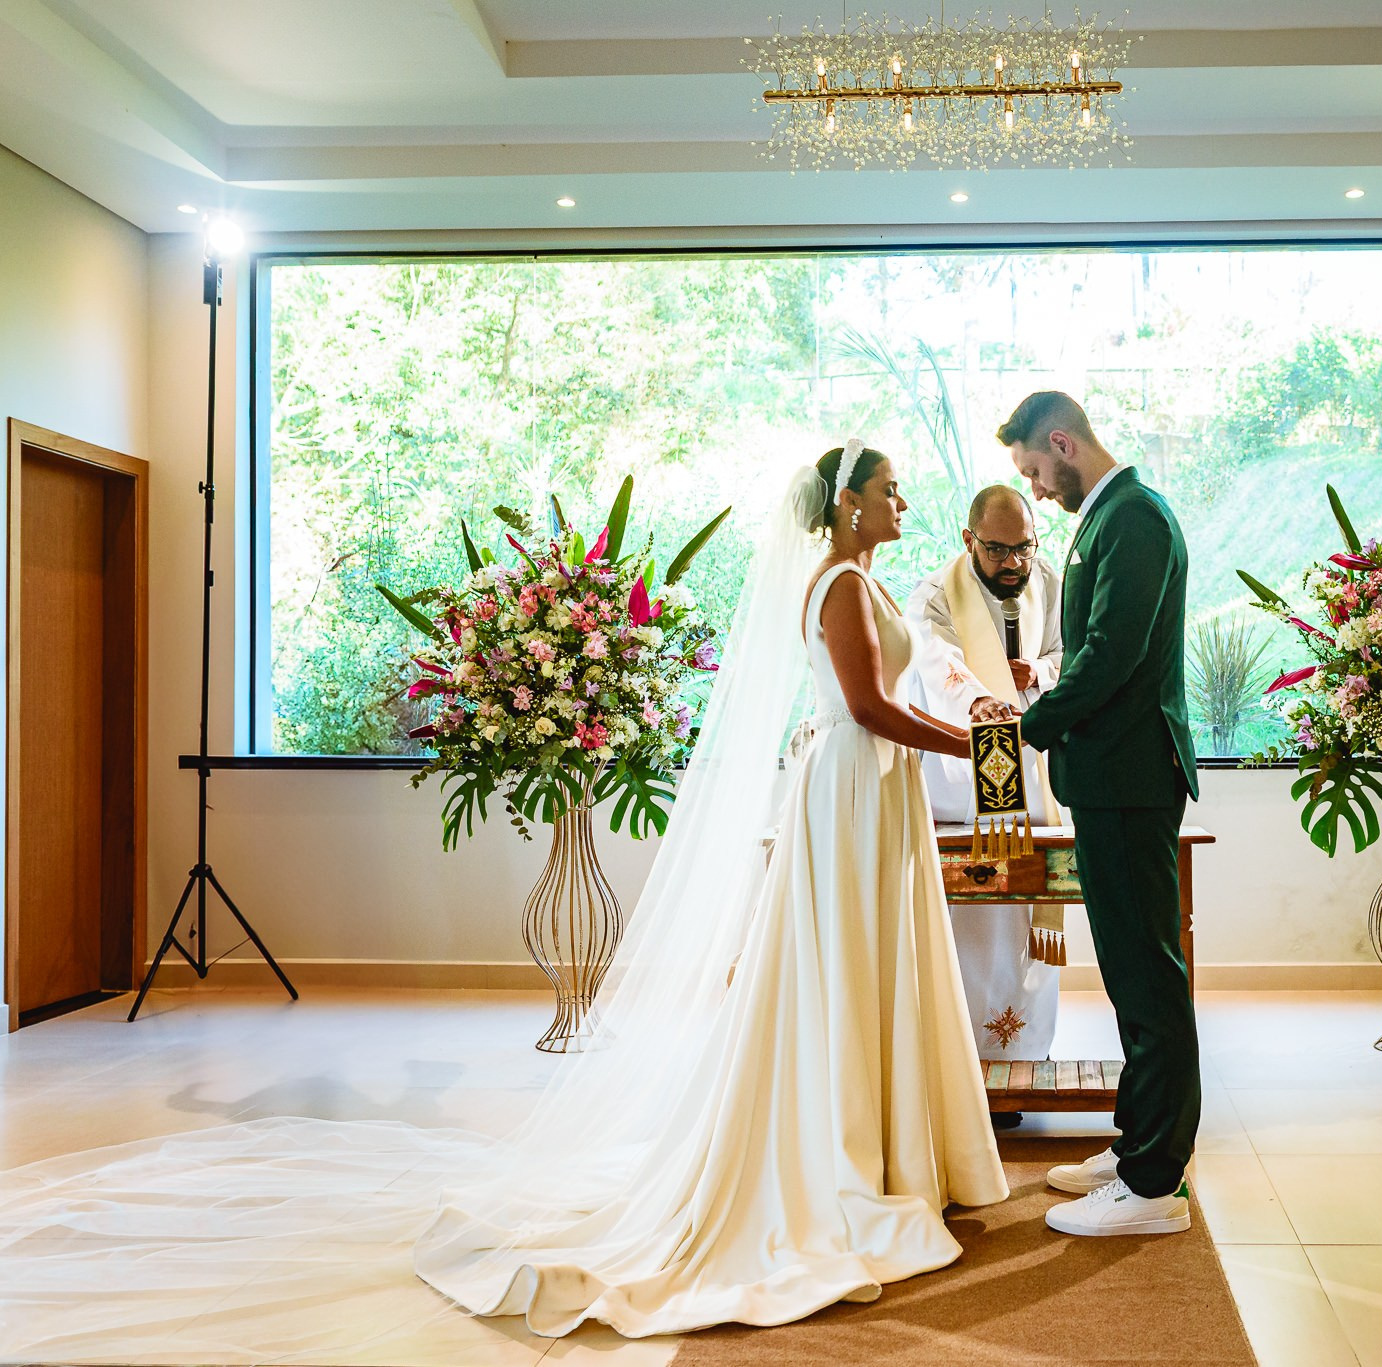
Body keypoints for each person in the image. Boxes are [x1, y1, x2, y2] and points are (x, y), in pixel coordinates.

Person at [0, 443, 1008, 1357]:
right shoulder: (837, 585)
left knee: (879, 959)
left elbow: (894, 699)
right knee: (845, 961)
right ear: (843, 506)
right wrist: (971, 745)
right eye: (887, 490)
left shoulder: (867, 581)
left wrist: (970, 717)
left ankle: (887, 1138)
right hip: (847, 787)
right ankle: (841, 1148)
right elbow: (867, 706)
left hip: (873, 790)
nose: (902, 501)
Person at [1001, 391, 1202, 1239]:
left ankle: (1153, 1185)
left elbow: (1112, 655)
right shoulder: (1110, 515)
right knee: (1128, 974)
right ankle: (1135, 1146)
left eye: (1036, 472)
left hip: (1128, 778)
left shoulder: (1136, 517)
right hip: (1109, 778)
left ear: (1063, 441)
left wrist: (1028, 725)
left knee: (1150, 978)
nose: (1039, 491)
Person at [905, 486, 1066, 1117]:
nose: (1013, 563)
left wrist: (1039, 676)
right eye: (997, 549)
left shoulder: (1049, 581)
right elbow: (934, 659)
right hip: (962, 786)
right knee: (971, 931)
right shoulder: (935, 594)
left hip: (1033, 781)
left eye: (1024, 546)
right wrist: (980, 697)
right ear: (970, 540)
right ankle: (962, 1076)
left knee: (1029, 928)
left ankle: (1024, 1065)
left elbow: (1064, 653)